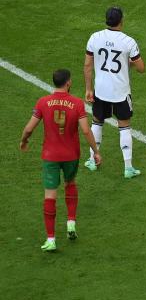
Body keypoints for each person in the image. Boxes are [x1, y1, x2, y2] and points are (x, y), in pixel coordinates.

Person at [19, 69, 102, 252]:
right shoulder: (77, 103)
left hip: (50, 156)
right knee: (70, 183)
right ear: (68, 83)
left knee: (50, 194)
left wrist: (24, 140)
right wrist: (95, 152)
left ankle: (51, 239)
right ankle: (71, 222)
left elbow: (29, 128)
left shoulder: (43, 102)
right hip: (71, 154)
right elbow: (86, 131)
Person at [83, 6, 145, 178]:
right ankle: (128, 168)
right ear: (121, 21)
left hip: (101, 91)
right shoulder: (128, 41)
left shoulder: (95, 38)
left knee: (97, 123)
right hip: (121, 92)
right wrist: (127, 62)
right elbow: (141, 68)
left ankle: (92, 160)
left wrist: (88, 89)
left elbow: (88, 65)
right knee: (124, 126)